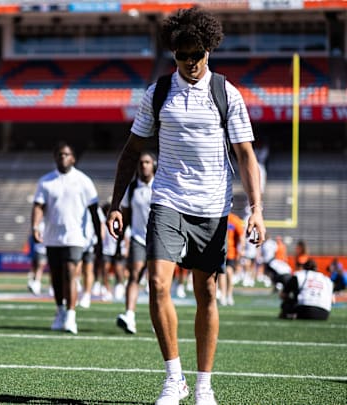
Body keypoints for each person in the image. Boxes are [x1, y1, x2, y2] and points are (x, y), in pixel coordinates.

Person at [106, 7, 266, 405]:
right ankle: (173, 378)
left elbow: (245, 154)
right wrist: (115, 204)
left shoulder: (226, 93)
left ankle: (203, 384)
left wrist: (256, 208)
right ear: (173, 54)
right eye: (182, 56)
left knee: (205, 295)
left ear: (209, 50)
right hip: (167, 200)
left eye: (197, 54)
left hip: (212, 207)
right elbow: (131, 152)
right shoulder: (158, 93)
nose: (191, 63)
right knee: (157, 283)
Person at [32, 142, 102, 335]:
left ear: (73, 158)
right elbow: (38, 206)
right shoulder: (46, 181)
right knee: (56, 276)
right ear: (55, 157)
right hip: (52, 236)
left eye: (66, 154)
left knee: (71, 274)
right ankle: (60, 310)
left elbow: (94, 211)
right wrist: (35, 226)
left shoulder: (84, 181)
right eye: (59, 154)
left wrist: (99, 238)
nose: (63, 157)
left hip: (76, 237)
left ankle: (71, 316)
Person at [116, 151, 155, 334]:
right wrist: (120, 241)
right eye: (141, 162)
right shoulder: (131, 189)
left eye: (147, 162)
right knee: (134, 276)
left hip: (159, 240)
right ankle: (129, 315)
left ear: (153, 164)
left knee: (157, 282)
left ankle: (159, 320)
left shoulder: (162, 186)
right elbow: (125, 216)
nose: (144, 165)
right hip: (138, 238)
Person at [219, 211, 243, 306]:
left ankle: (229, 294)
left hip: (231, 253)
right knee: (222, 273)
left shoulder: (234, 219)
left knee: (229, 272)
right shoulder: (218, 217)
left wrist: (241, 249)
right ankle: (223, 295)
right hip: (219, 251)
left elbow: (241, 236)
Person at [27, 220, 47, 295]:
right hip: (40, 249)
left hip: (47, 248)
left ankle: (34, 283)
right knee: (39, 267)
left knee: (39, 267)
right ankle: (36, 284)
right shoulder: (40, 224)